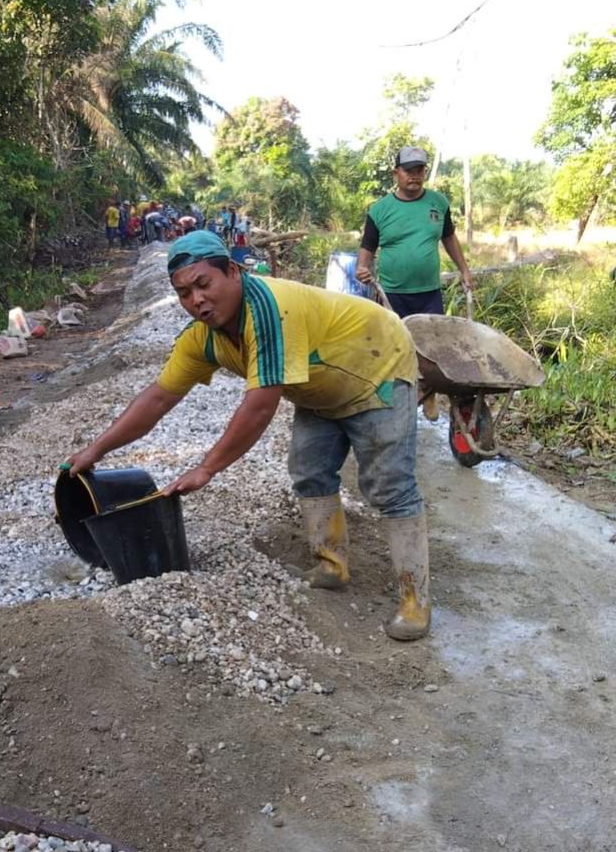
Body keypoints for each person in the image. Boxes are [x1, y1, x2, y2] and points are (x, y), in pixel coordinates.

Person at [65, 232, 431, 640]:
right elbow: (158, 397)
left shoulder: (269, 310)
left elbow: (259, 406)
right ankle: (332, 567)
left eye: (204, 284)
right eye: (184, 293)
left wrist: (206, 469)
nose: (196, 300)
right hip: (320, 384)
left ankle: (414, 600)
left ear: (233, 272)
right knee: (309, 472)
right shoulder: (203, 338)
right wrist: (95, 450)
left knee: (388, 485)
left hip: (376, 367)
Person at [356, 147, 473, 420]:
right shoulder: (380, 210)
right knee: (396, 349)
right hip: (393, 294)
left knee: (434, 350)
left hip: (429, 292)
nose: (415, 176)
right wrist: (362, 269)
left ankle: (429, 392)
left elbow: (449, 238)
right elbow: (366, 252)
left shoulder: (438, 203)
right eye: (409, 170)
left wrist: (464, 270)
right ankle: (395, 402)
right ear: (396, 173)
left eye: (419, 170)